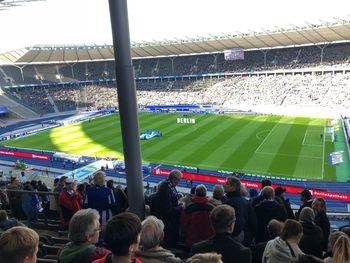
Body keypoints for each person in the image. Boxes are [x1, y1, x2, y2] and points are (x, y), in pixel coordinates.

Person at [152, 170, 183, 246]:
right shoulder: (165, 188)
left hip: (168, 222)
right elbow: (168, 210)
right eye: (178, 180)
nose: (179, 182)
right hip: (168, 223)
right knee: (169, 244)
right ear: (174, 179)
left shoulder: (168, 185)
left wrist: (176, 196)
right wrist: (180, 207)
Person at [223, 176, 256, 244]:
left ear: (233, 187)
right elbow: (253, 222)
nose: (224, 185)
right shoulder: (246, 202)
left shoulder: (229, 202)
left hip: (234, 239)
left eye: (227, 183)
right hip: (244, 239)